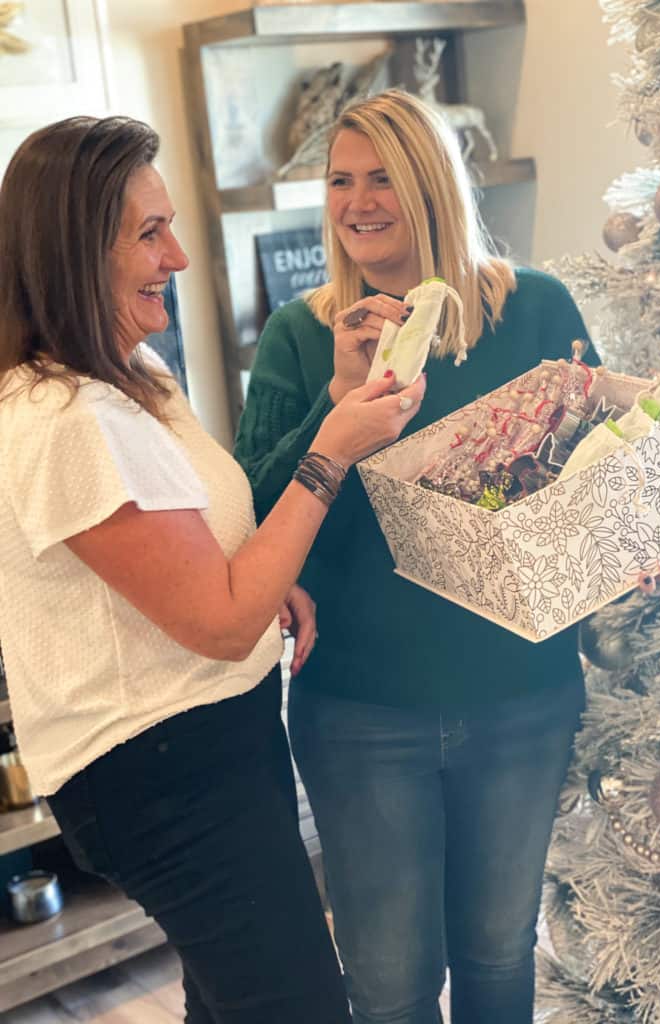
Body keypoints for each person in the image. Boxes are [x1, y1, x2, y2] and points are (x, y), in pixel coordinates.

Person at [0, 115, 425, 1024]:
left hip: (212, 742)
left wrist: (268, 563)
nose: (180, 257)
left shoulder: (128, 373)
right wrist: (335, 451)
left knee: (235, 1004)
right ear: (77, 253)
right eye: (149, 234)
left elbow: (196, 550)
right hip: (159, 772)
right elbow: (224, 622)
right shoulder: (63, 419)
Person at [235, 89, 600, 1024]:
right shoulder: (302, 333)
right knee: (391, 987)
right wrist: (339, 397)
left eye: (383, 178)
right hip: (361, 712)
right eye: (340, 181)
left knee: (496, 960)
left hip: (521, 695)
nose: (357, 202)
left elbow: (598, 478)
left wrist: (630, 549)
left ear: (433, 185)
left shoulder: (537, 311)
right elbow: (250, 519)